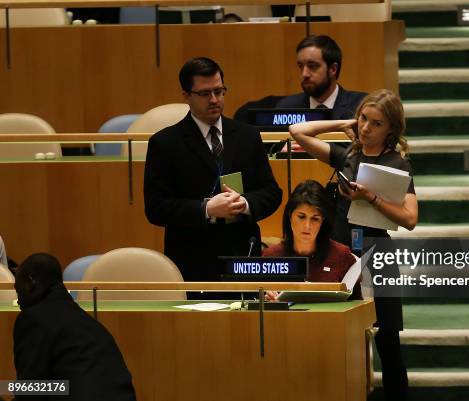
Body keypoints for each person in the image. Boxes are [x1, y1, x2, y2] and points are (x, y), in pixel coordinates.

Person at [289, 89, 418, 401]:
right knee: (339, 334)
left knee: (388, 341)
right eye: (363, 119)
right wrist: (344, 121)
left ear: (391, 129)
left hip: (378, 252)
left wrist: (370, 198)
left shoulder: (396, 164)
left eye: (376, 123)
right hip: (341, 253)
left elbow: (410, 218)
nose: (365, 128)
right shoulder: (347, 155)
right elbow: (297, 131)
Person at [144, 57, 282, 282]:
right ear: (186, 95)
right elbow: (156, 208)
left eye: (219, 91)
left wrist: (245, 204)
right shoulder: (165, 143)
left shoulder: (248, 136)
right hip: (192, 260)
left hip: (243, 255)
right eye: (205, 94)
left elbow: (271, 192)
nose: (214, 100)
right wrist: (206, 208)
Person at [12, 253, 136, 401]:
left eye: (17, 287)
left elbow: (30, 391)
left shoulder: (34, 319)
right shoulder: (87, 323)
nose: (17, 298)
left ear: (30, 282)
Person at [263, 180, 359, 300]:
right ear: (290, 215)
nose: (307, 226)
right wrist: (267, 302)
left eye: (315, 219)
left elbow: (357, 307)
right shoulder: (271, 257)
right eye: (301, 217)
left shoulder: (341, 255)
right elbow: (258, 309)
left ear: (322, 221)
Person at [276, 35, 367, 119]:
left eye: (312, 66)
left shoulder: (360, 106)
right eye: (301, 66)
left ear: (333, 69)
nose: (304, 74)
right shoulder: (286, 107)